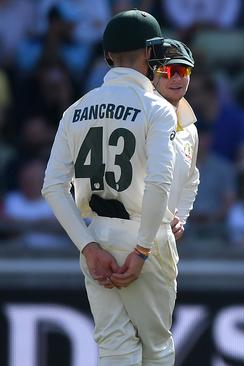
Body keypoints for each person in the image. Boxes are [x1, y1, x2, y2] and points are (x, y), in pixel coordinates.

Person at [41, 10, 179, 366]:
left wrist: (88, 247)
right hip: (144, 233)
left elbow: (53, 187)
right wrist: (143, 250)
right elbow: (159, 182)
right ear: (151, 54)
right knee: (157, 348)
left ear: (108, 56)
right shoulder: (158, 109)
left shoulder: (75, 110)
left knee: (114, 347)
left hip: (98, 234)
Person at [150, 38, 200, 242]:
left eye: (183, 70)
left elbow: (191, 179)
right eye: (169, 71)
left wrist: (181, 218)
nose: (177, 78)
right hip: (130, 236)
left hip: (165, 239)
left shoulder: (190, 128)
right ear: (152, 75)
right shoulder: (141, 116)